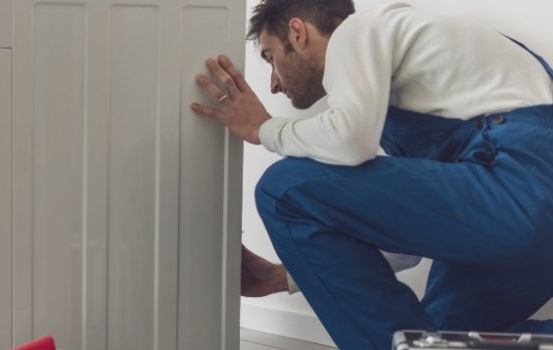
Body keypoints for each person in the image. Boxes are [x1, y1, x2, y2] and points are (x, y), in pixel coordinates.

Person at [191, 1, 553, 349]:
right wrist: (281, 277)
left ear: (298, 33)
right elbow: (406, 244)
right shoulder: (413, 92)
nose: (273, 84)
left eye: (271, 58)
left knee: (285, 190)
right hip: (519, 212)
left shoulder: (358, 29)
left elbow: (348, 141)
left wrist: (264, 129)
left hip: (523, 183)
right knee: (438, 338)